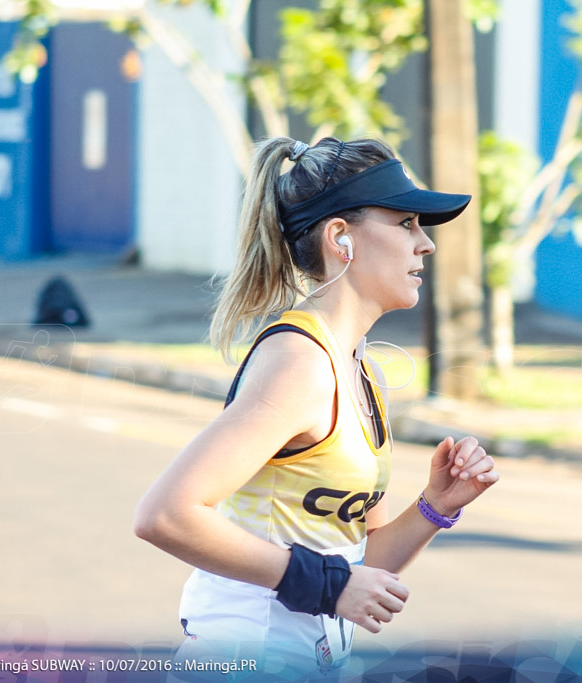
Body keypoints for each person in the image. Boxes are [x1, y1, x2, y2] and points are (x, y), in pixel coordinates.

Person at [133, 137, 500, 678]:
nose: (426, 245)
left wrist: (435, 506)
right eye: (405, 224)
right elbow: (165, 515)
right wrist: (329, 586)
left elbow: (362, 562)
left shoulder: (356, 365)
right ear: (340, 237)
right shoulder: (297, 364)